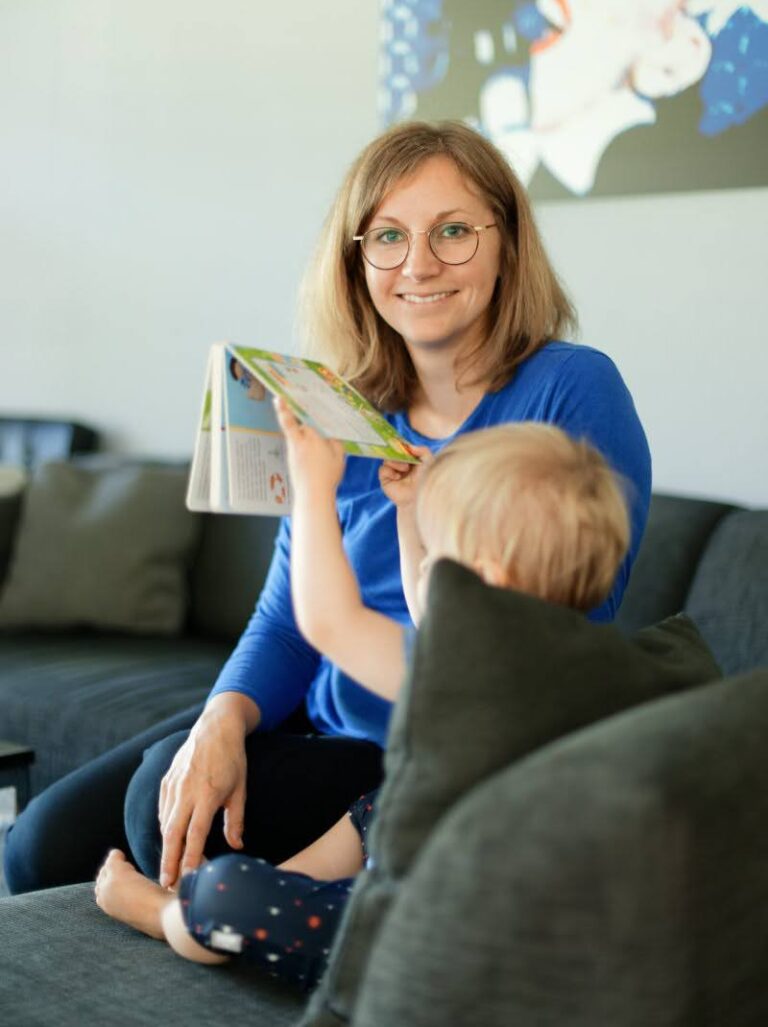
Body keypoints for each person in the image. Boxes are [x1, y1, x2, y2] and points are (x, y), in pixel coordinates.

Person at [4, 119, 651, 896]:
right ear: (355, 258)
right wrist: (224, 719)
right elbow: (285, 619)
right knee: (41, 843)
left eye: (454, 231)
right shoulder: (342, 410)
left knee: (157, 820)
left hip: (427, 748)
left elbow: (568, 619)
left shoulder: (572, 389)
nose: (419, 263)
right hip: (314, 721)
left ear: (507, 243)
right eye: (386, 236)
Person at [94, 408, 632, 989]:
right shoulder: (539, 660)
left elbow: (328, 622)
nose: (424, 560)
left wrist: (314, 489)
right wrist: (409, 515)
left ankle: (168, 916)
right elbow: (433, 615)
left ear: (487, 579)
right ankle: (283, 882)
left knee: (231, 896)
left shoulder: (476, 674)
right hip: (440, 857)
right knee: (384, 801)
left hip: (428, 927)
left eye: (437, 547)